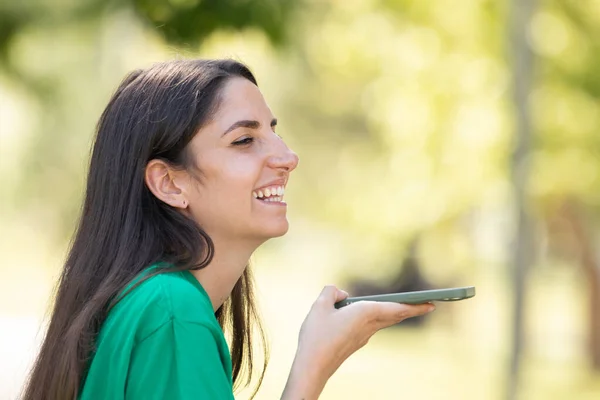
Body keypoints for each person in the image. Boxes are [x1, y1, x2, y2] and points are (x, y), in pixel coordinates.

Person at [21, 59, 435, 400]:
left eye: (273, 130)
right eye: (244, 140)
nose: (287, 157)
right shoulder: (172, 313)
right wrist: (314, 366)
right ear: (170, 183)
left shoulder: (150, 303)